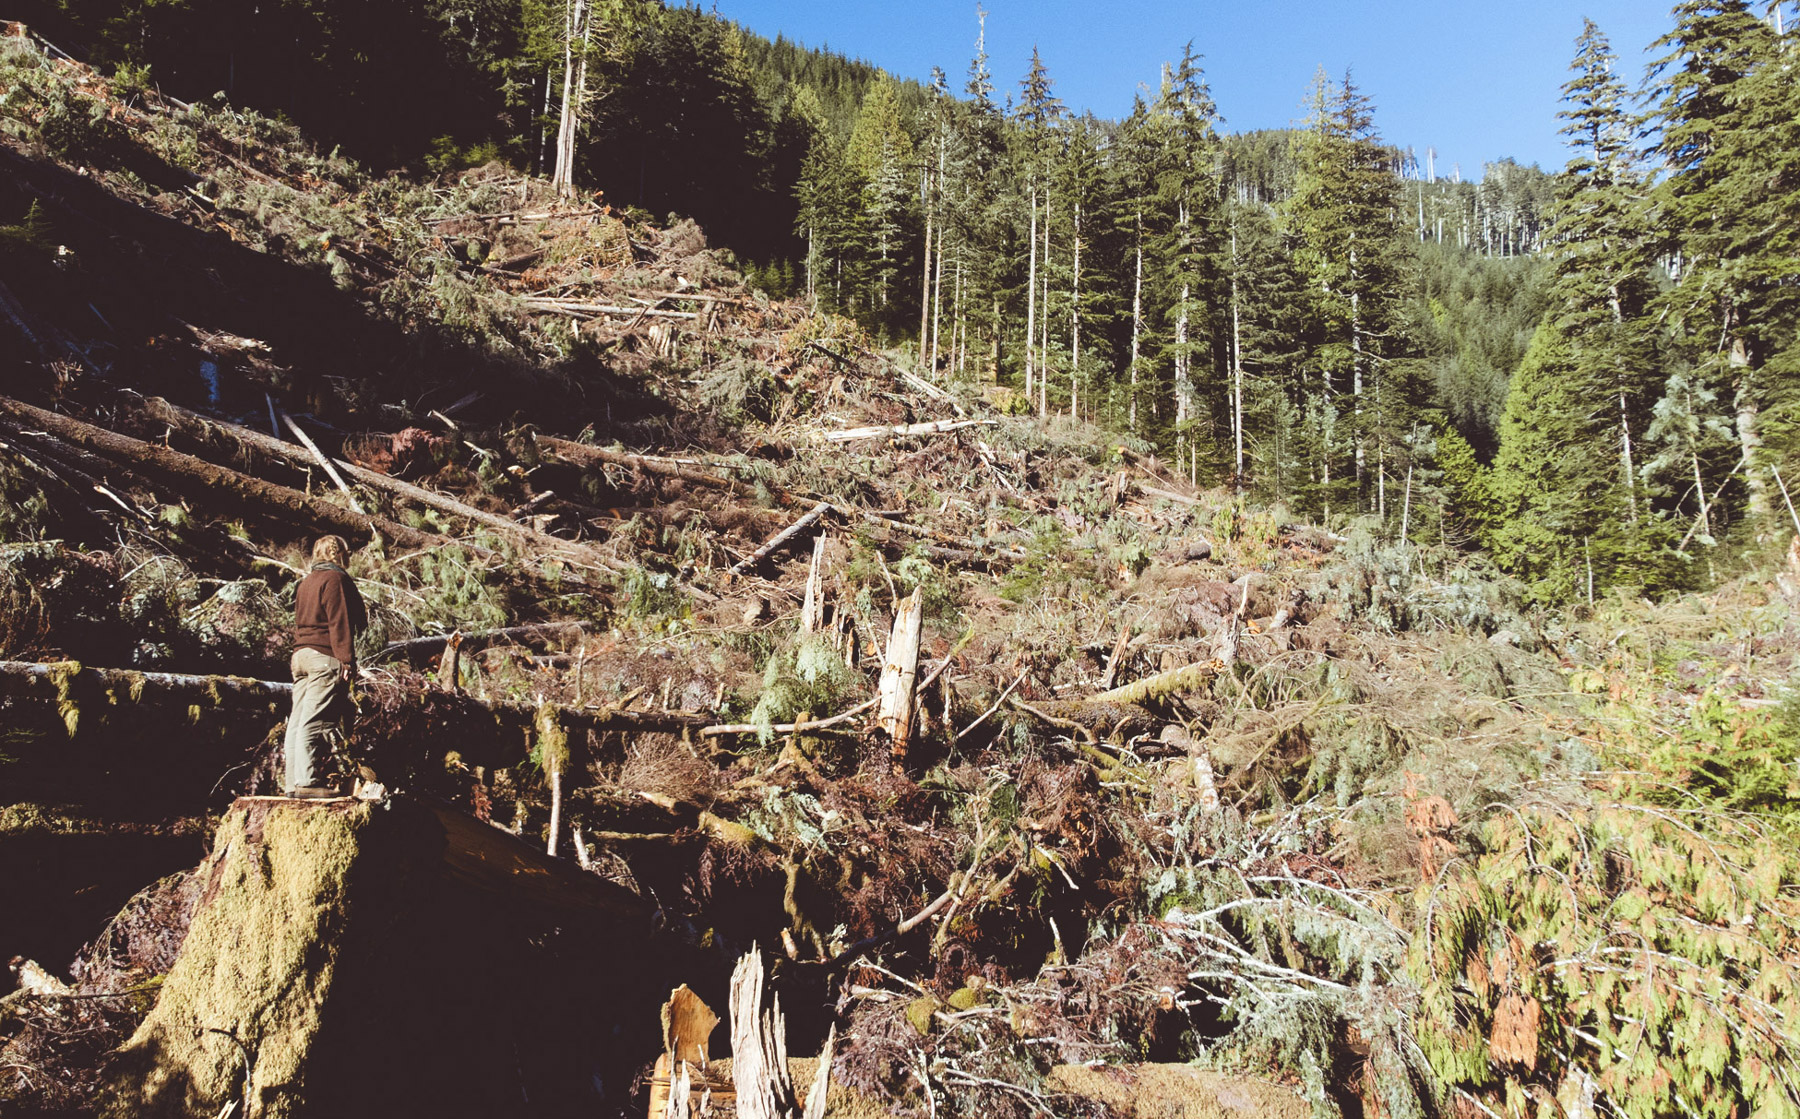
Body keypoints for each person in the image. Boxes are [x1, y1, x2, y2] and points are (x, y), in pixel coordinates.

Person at [283, 535, 367, 798]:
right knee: (311, 720)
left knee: (296, 722)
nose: (351, 557)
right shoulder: (335, 580)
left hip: (300, 656)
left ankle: (292, 784)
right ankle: (307, 782)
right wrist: (347, 659)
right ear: (338, 554)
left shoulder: (306, 582)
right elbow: (338, 621)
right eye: (348, 552)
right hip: (323, 656)